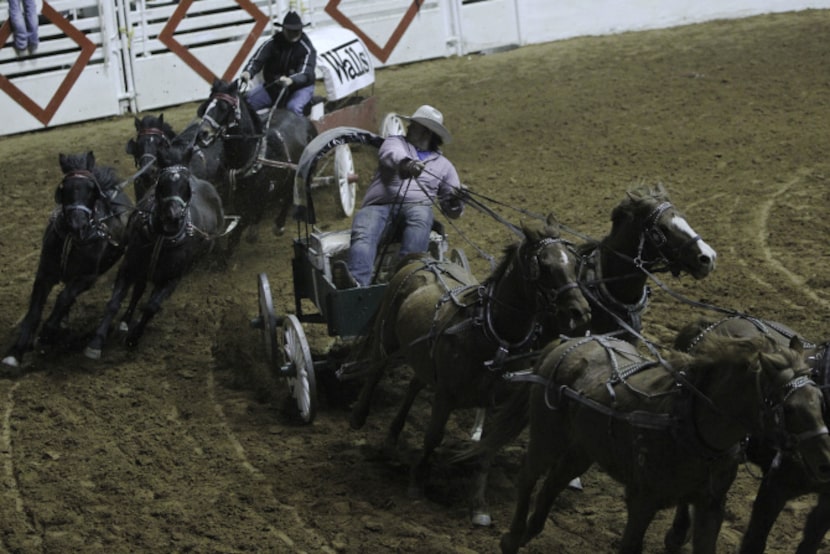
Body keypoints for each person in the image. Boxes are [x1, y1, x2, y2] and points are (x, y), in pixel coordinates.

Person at [337, 105, 465, 288]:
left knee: (421, 216)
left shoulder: (445, 167)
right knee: (364, 231)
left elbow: (452, 210)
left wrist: (455, 201)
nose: (408, 127)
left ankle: (405, 278)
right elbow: (391, 154)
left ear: (426, 132)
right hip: (379, 205)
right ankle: (357, 282)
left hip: (417, 206)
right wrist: (407, 164)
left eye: (413, 125)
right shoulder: (395, 142)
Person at [239, 11, 316, 117]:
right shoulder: (272, 43)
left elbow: (306, 72)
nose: (293, 34)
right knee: (246, 104)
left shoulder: (307, 48)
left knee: (293, 108)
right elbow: (257, 60)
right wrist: (248, 72)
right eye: (290, 31)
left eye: (296, 31)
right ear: (283, 29)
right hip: (274, 87)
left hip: (299, 88)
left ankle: (301, 132)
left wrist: (291, 80)